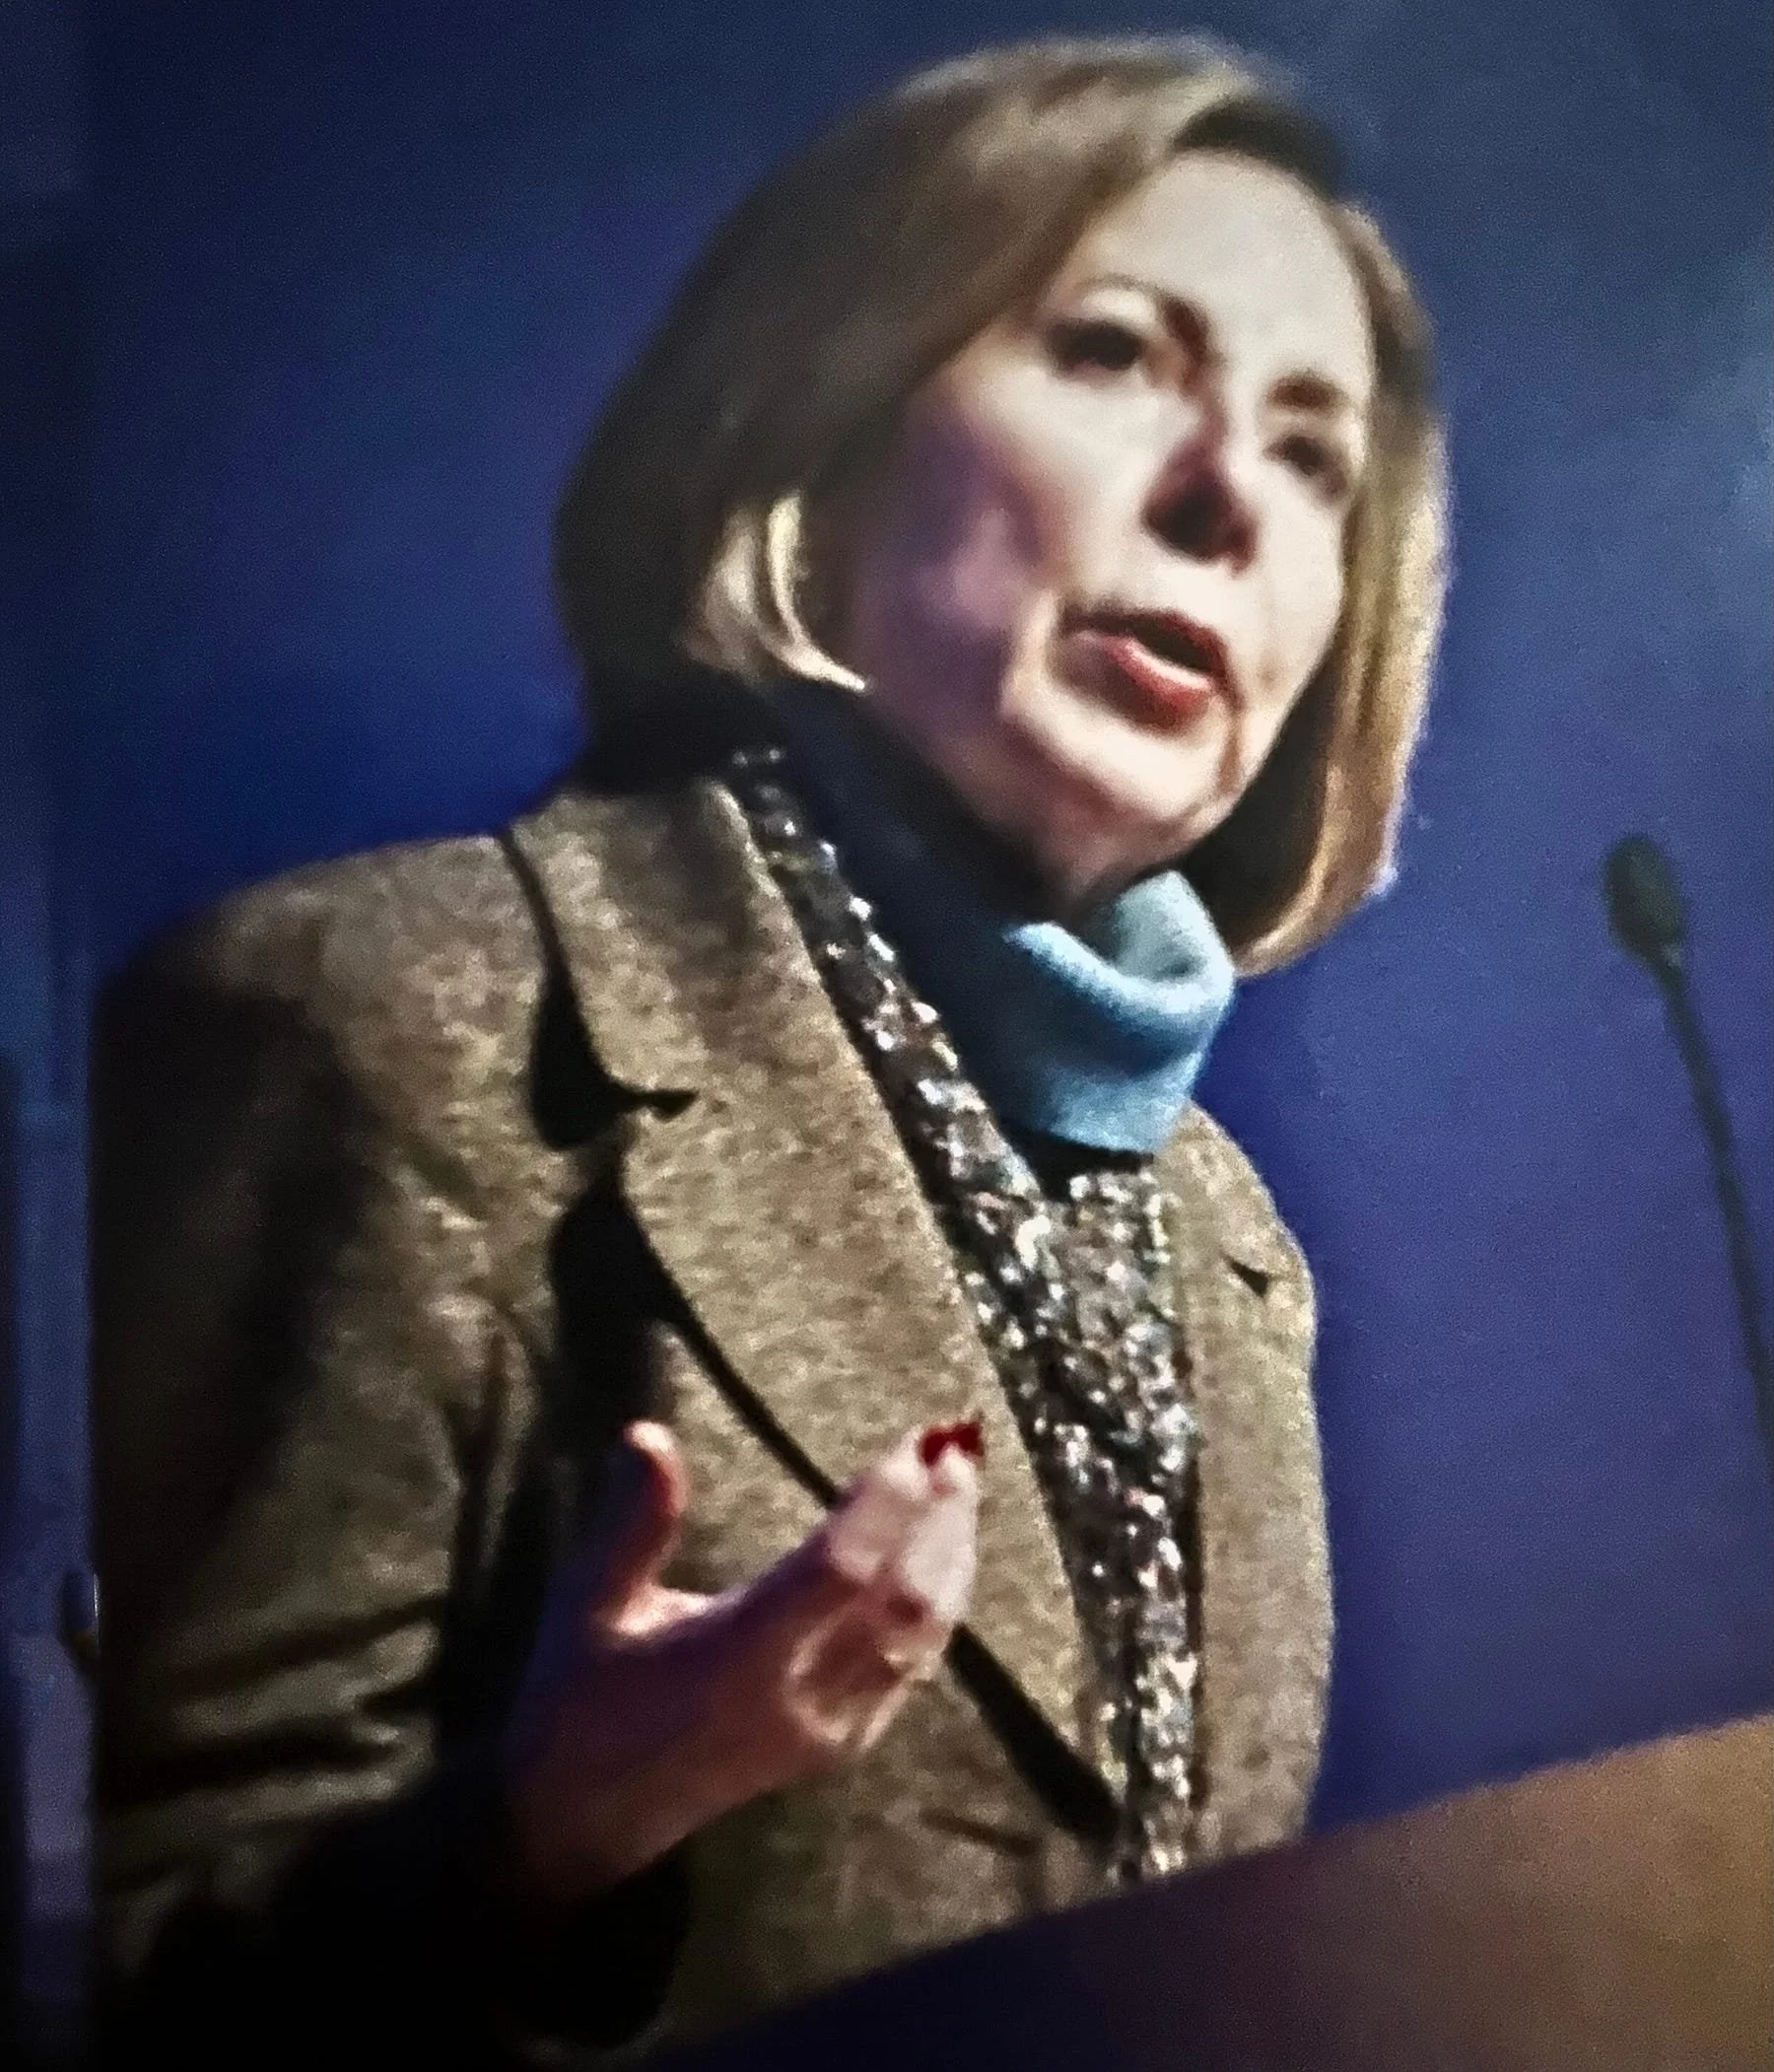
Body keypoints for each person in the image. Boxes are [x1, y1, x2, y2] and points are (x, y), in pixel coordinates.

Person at [92, 35, 1446, 2069]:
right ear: (809, 430)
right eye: (1108, 352)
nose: (1227, 494)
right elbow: (132, 1990)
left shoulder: (1232, 1245)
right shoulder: (366, 1022)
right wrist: (555, 1832)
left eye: (1316, 452)